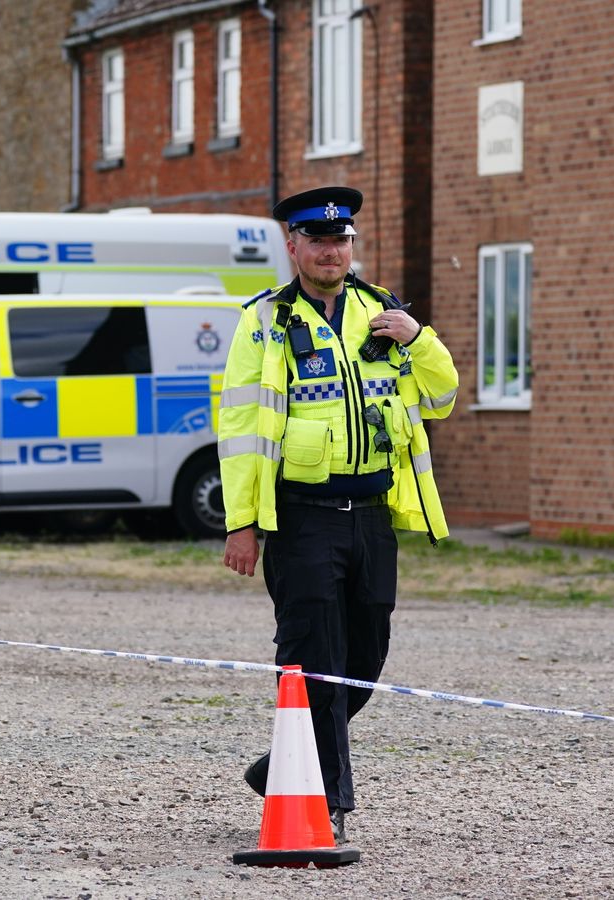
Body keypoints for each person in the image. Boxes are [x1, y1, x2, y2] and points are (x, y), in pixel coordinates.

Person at [217, 186, 457, 842]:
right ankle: (330, 802)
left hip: (371, 513)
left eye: (341, 240)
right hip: (302, 517)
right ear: (292, 246)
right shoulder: (264, 322)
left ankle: (286, 765)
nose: (332, 251)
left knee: (366, 655)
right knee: (313, 656)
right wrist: (242, 523)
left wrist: (420, 339)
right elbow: (239, 429)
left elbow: (442, 399)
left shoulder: (384, 314)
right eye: (318, 241)